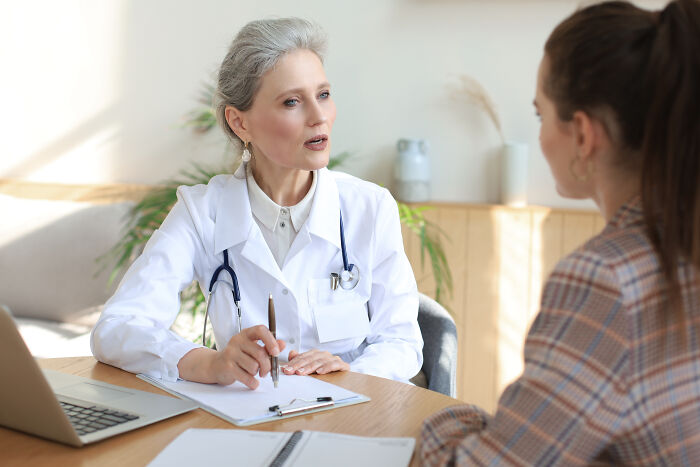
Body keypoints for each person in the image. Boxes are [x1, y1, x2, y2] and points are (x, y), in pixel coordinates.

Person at [420, 0, 700, 464]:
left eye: (540, 115)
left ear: (584, 136)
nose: (542, 134)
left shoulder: (608, 281)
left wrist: (449, 418)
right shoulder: (681, 245)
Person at [91, 18, 423, 389]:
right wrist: (208, 363)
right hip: (245, 422)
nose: (319, 117)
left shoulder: (370, 209)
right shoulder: (202, 213)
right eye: (292, 101)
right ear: (240, 123)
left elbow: (401, 341)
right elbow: (117, 328)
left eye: (324, 94)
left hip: (351, 416)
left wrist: (352, 374)